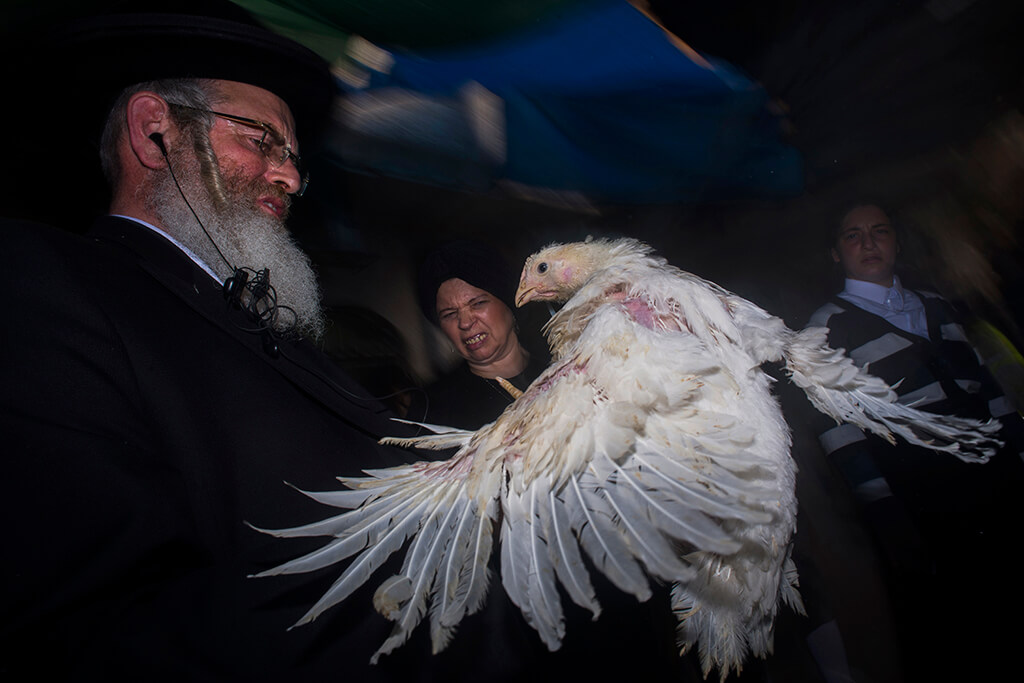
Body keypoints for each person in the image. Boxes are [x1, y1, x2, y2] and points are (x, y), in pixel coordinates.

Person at [0, 7, 431, 681]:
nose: (289, 177)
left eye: (292, 156)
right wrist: (446, 591)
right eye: (262, 140)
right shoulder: (39, 284)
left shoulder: (270, 329)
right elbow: (96, 631)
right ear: (154, 130)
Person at [806, 202, 1024, 681]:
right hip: (924, 491)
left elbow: (984, 384)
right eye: (853, 235)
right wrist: (880, 502)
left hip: (996, 471)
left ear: (896, 243)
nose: (868, 243)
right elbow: (837, 428)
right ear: (836, 253)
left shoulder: (935, 306)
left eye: (879, 231)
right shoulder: (823, 329)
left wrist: (1016, 446)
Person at [409, 240, 549, 430]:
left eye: (478, 303)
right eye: (449, 314)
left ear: (509, 304)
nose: (465, 323)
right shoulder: (434, 409)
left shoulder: (566, 364)